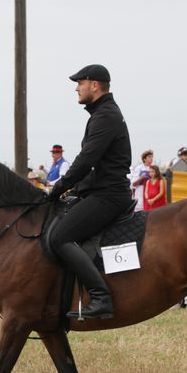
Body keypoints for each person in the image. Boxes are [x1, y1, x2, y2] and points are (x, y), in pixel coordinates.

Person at [48, 64, 133, 320]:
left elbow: (86, 160)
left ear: (94, 85)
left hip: (108, 195)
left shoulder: (105, 115)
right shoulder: (101, 114)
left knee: (59, 237)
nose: (77, 87)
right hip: (100, 191)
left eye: (80, 83)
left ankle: (101, 297)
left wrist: (58, 188)